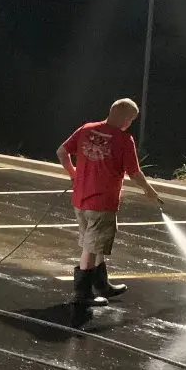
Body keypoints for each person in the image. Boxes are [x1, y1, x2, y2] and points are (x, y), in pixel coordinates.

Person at [56, 98, 162, 307]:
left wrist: (73, 174)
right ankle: (82, 294)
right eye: (131, 118)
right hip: (102, 203)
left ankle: (102, 284)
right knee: (91, 247)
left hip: (80, 200)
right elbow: (134, 172)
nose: (130, 123)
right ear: (122, 116)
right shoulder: (123, 140)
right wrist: (149, 190)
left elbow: (61, 151)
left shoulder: (87, 129)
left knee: (95, 243)